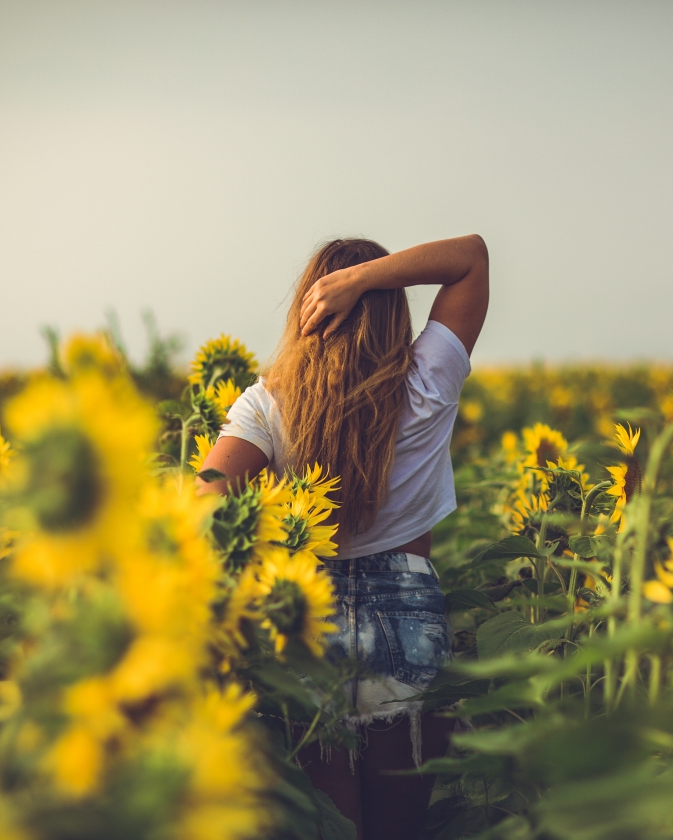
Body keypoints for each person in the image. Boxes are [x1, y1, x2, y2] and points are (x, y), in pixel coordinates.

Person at [199, 234, 489, 840]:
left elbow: (203, 507)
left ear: (308, 309)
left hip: (304, 616)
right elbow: (472, 257)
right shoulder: (427, 382)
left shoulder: (269, 405)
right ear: (393, 306)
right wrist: (365, 280)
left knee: (331, 825)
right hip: (408, 618)